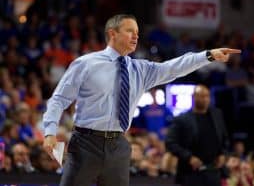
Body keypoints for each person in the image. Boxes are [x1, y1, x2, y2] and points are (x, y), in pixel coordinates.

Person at [42, 14, 240, 186]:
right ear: (112, 33)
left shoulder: (140, 69)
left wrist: (207, 56)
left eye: (137, 32)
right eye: (130, 31)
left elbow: (173, 67)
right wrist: (49, 132)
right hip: (85, 143)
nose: (136, 36)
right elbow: (59, 99)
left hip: (118, 145)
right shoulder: (86, 64)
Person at [165, 85, 229, 186]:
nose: (205, 99)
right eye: (202, 96)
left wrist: (223, 154)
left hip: (214, 171)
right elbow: (170, 142)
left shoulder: (217, 115)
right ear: (193, 97)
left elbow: (225, 139)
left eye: (207, 96)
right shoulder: (182, 119)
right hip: (190, 173)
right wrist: (189, 157)